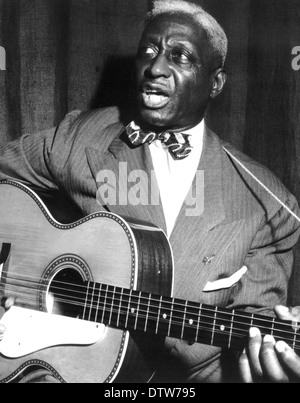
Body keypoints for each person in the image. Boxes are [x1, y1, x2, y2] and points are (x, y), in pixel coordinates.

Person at [0, 0, 299, 383]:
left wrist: (267, 358)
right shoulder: (80, 137)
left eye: (180, 56)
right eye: (149, 52)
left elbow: (254, 326)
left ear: (215, 83)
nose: (156, 68)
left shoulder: (267, 203)